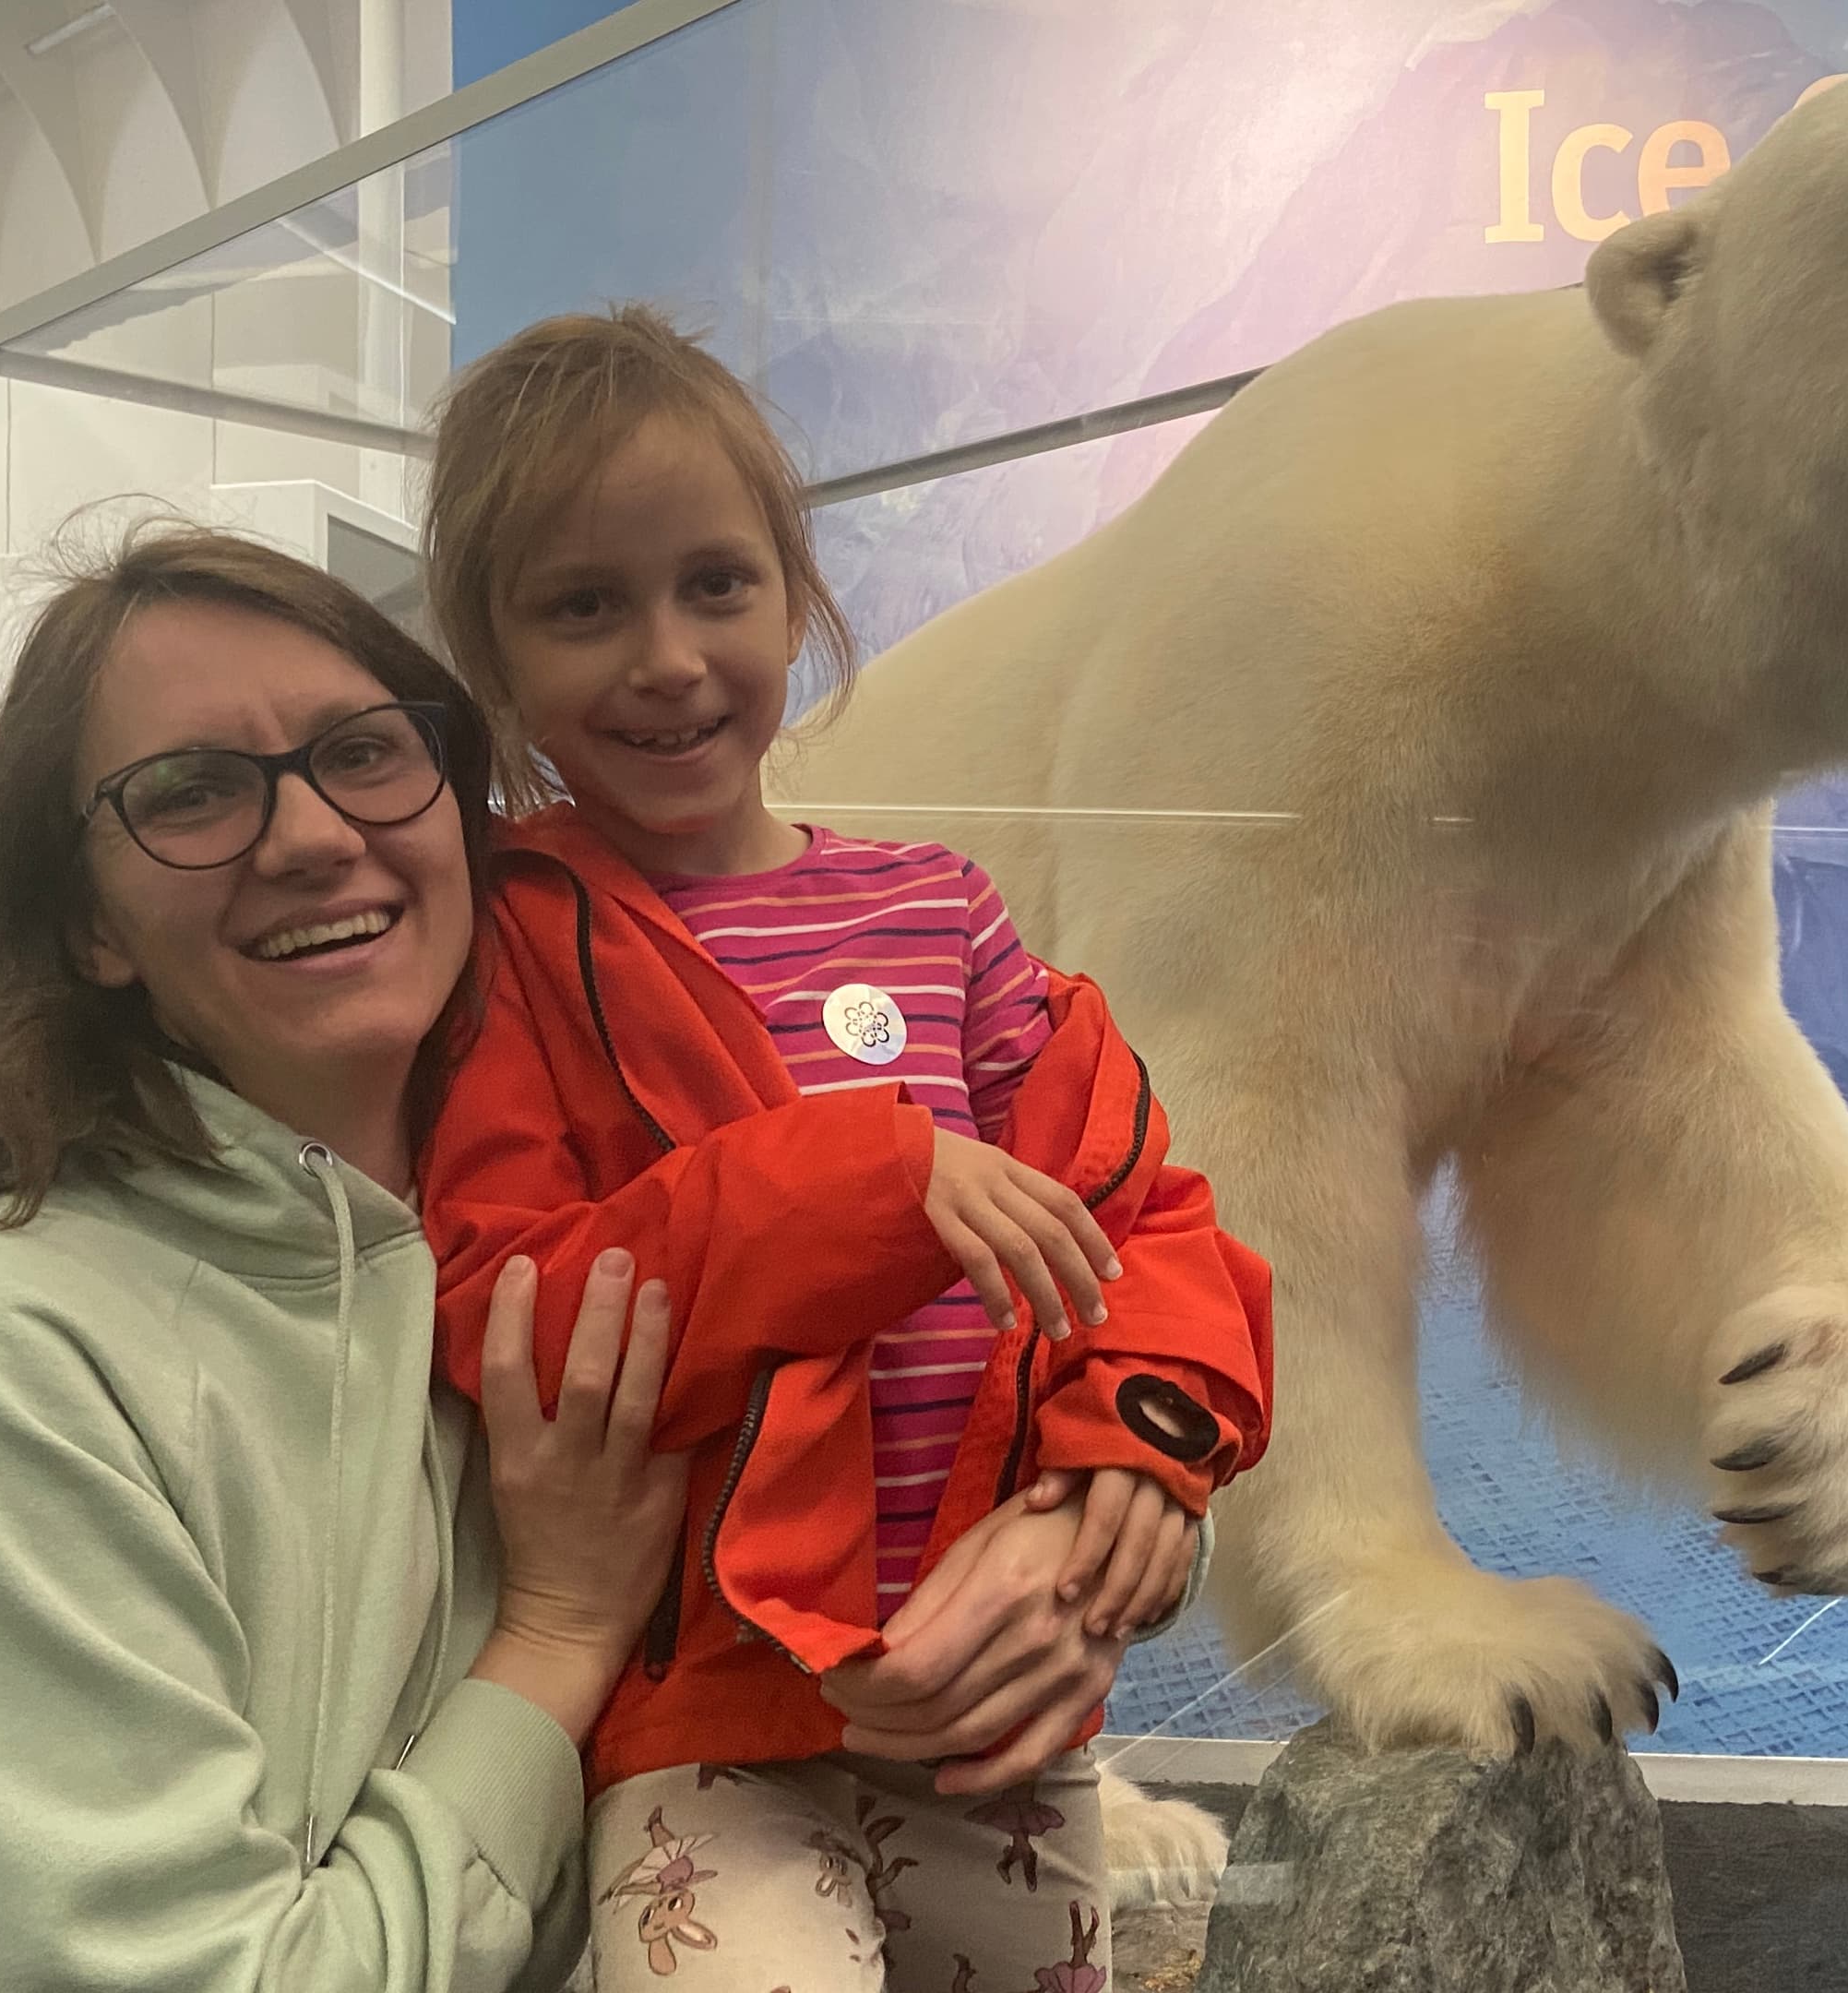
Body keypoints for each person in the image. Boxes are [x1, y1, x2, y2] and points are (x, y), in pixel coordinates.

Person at [411, 304, 1277, 1988]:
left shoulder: (936, 910)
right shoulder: (512, 932)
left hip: (1001, 1702)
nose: (666, 656)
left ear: (795, 597)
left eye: (715, 585)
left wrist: (1147, 1452)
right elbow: (508, 1301)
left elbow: (1138, 1202)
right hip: (708, 1721)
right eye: (585, 605)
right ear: (494, 657)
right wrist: (866, 1182)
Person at [0, 524, 686, 1993]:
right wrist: (556, 1638)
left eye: (364, 752)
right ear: (88, 924)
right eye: (191, 794)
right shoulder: (0, 1354)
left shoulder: (568, 1268)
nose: (309, 836)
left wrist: (1062, 1557)